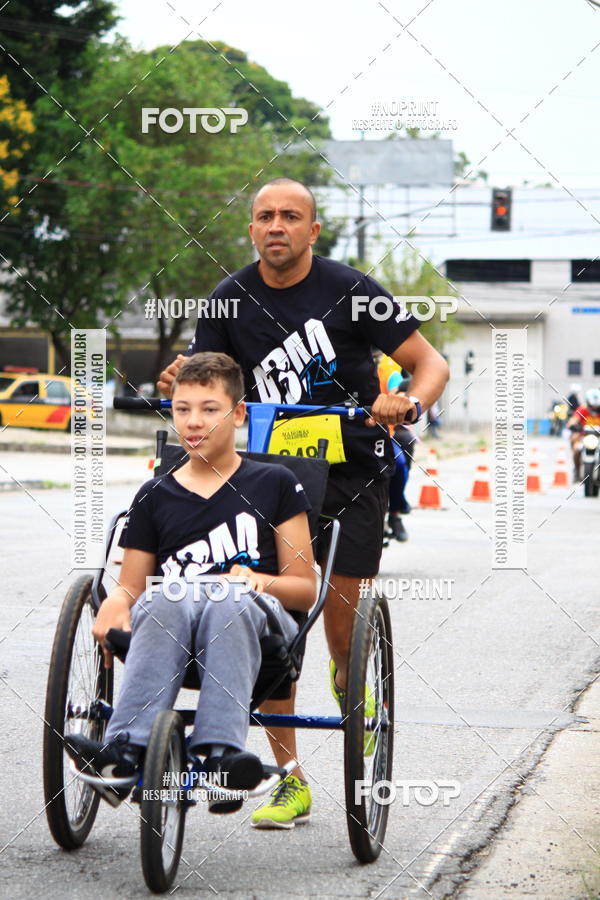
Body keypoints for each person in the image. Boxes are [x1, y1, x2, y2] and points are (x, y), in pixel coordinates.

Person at [158, 177, 449, 827]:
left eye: (291, 216)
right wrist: (181, 376)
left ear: (313, 231)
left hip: (350, 469)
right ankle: (289, 778)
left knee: (342, 626)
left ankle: (351, 681)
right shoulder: (229, 300)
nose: (277, 226)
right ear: (252, 229)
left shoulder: (353, 291)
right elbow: (206, 381)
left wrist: (409, 401)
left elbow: (429, 363)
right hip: (265, 476)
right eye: (265, 216)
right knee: (278, 621)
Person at [65, 352, 316, 819]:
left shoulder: (275, 483)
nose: (194, 422)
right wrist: (113, 603)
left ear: (238, 413)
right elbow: (130, 587)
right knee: (165, 596)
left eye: (209, 409)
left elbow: (304, 588)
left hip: (255, 627)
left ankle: (221, 755)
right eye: (182, 409)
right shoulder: (154, 494)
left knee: (225, 599)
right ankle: (125, 750)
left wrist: (258, 581)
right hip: (169, 626)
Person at [377, 353, 416, 542]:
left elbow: (396, 384)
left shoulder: (387, 364)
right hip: (344, 426)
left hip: (383, 431)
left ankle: (395, 511)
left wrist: (400, 398)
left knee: (399, 461)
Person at [566, 387, 600, 480]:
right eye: (593, 406)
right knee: (576, 447)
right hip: (585, 436)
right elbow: (574, 419)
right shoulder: (583, 409)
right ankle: (577, 470)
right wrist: (572, 425)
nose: (595, 408)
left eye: (597, 406)